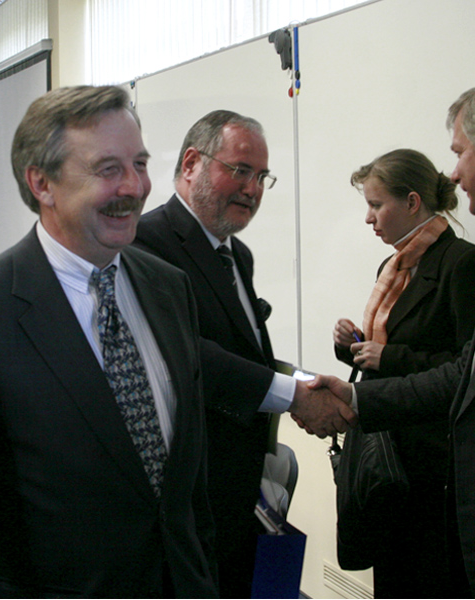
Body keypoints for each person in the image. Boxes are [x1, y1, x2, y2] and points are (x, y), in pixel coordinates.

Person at [0, 86, 218, 598]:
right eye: (108, 169)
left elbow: (188, 488)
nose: (135, 186)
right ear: (42, 183)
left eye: (139, 164)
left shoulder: (169, 289)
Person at [305, 78, 475, 598]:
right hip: (394, 460)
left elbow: (468, 372)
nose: (455, 172)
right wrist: (353, 359)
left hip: (441, 473)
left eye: (460, 152)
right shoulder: (404, 264)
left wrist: (380, 367)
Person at [134, 109, 356, 598]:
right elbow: (186, 355)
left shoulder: (238, 254)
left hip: (240, 495)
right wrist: (293, 395)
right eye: (239, 170)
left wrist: (305, 384)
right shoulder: (145, 243)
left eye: (261, 177)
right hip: (189, 497)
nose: (252, 189)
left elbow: (244, 352)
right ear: (191, 163)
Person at [332, 149, 475, 597]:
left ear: (413, 202)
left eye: (376, 205)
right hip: (387, 460)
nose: (368, 218)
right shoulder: (393, 266)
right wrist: (351, 344)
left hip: (430, 469)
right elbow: (387, 350)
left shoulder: (464, 263)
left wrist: (389, 357)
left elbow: (470, 370)